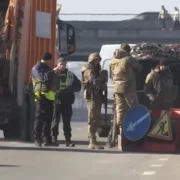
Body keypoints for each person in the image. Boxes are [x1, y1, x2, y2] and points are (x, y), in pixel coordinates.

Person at [31, 52, 62, 147]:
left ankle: (47, 140)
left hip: (49, 97)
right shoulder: (36, 68)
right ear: (48, 60)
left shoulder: (47, 68)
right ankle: (37, 139)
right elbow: (43, 78)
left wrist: (56, 72)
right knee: (39, 118)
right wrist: (53, 71)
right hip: (40, 96)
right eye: (50, 60)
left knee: (48, 119)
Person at [111, 44, 141, 136]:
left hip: (117, 87)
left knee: (120, 108)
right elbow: (138, 68)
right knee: (135, 107)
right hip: (128, 87)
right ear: (128, 50)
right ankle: (136, 128)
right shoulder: (129, 58)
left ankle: (121, 129)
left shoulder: (113, 60)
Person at [51, 58, 81, 147]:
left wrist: (70, 89)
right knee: (55, 121)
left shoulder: (70, 75)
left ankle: (68, 140)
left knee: (66, 122)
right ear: (57, 65)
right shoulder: (53, 74)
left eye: (63, 64)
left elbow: (78, 87)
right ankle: (54, 139)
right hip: (56, 101)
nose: (62, 66)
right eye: (60, 64)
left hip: (67, 101)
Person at [81, 53, 107, 149]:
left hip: (96, 95)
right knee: (92, 118)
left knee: (96, 118)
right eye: (97, 60)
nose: (98, 62)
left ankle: (93, 140)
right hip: (91, 95)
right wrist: (101, 78)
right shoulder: (88, 69)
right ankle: (92, 141)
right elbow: (93, 81)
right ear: (92, 60)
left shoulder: (96, 69)